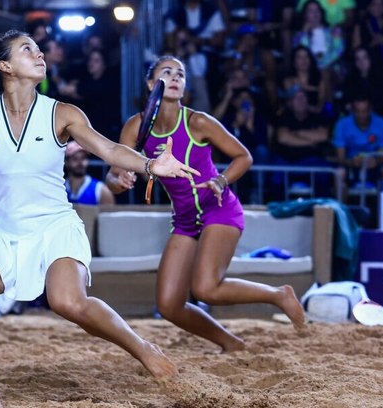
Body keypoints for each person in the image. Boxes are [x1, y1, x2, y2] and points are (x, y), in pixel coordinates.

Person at [0, 30, 196, 406]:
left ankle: (144, 348)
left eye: (39, 50)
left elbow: (109, 149)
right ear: (5, 65)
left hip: (56, 226)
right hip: (6, 231)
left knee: (68, 302)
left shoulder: (62, 113)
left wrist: (151, 165)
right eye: (28, 50)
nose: (39, 55)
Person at [106, 56, 306, 354]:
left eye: (180, 74)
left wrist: (222, 181)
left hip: (219, 208)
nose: (175, 78)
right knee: (169, 305)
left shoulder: (198, 121)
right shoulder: (136, 127)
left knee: (205, 289)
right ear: (151, 83)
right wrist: (118, 179)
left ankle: (279, 295)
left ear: (184, 86)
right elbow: (112, 175)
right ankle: (231, 343)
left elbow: (244, 157)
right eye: (167, 72)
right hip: (185, 218)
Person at [64, 141, 114, 206]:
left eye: (83, 158)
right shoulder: (59, 189)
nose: (80, 163)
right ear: (66, 162)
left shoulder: (101, 190)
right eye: (75, 159)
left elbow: (109, 215)